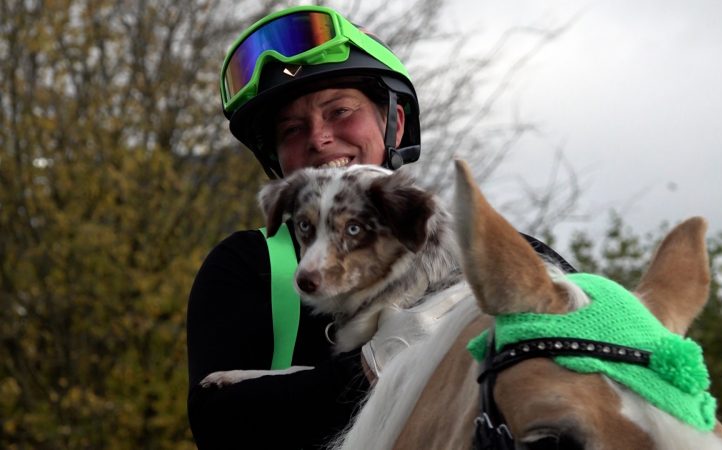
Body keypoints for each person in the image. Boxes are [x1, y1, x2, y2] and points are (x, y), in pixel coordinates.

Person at [186, 5, 574, 449]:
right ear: (276, 157)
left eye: (339, 111)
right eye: (291, 129)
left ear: (395, 121)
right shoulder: (248, 266)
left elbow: (589, 375)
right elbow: (218, 427)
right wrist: (374, 366)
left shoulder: (504, 257)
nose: (317, 137)